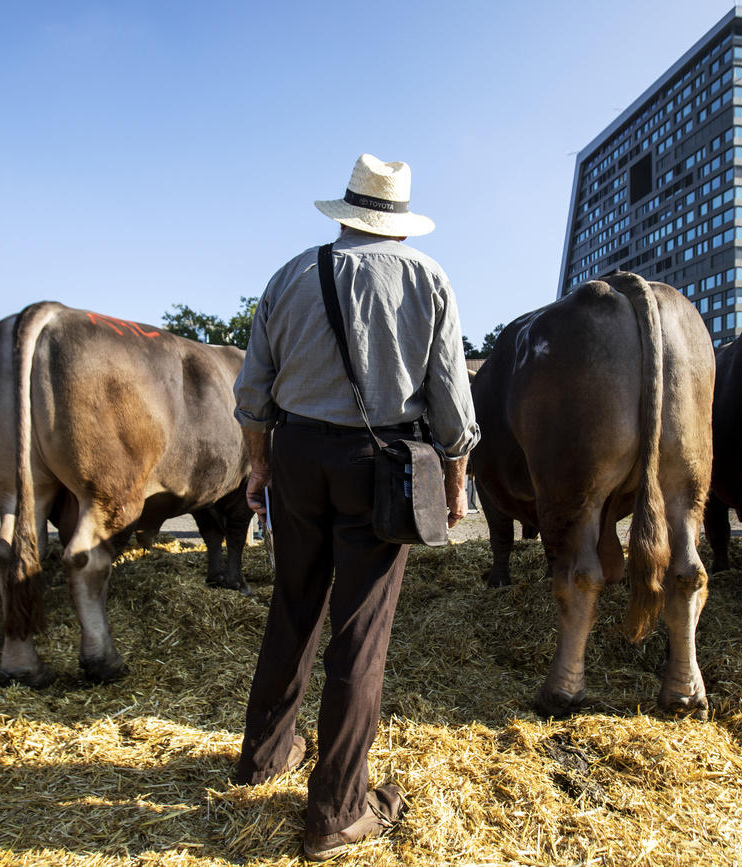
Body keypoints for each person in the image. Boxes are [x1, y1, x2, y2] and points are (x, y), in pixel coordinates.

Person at [232, 153, 480, 861]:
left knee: (294, 607)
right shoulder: (428, 279)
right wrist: (456, 479)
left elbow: (254, 390)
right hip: (380, 465)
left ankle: (265, 755)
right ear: (399, 224)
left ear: (346, 215)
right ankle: (339, 809)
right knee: (360, 631)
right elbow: (451, 403)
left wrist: (259, 466)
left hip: (297, 456)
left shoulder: (291, 274)